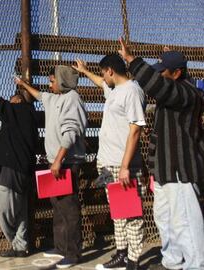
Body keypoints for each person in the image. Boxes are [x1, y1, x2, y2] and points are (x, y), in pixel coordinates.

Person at [118, 38, 204, 270]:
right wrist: (153, 171)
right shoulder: (168, 102)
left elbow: (157, 85)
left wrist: (132, 60)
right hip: (165, 172)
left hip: (182, 171)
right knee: (165, 220)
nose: (160, 75)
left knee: (185, 223)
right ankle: (172, 262)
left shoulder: (188, 94)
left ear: (176, 73)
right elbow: (157, 138)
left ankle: (196, 265)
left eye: (163, 71)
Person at [73, 54, 146, 270]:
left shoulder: (132, 90)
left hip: (122, 165)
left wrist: (125, 166)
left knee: (132, 214)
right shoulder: (114, 90)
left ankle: (133, 260)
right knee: (118, 212)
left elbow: (136, 128)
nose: (103, 78)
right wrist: (85, 72)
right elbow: (100, 82)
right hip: (108, 164)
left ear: (111, 71)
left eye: (104, 73)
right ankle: (121, 255)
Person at [15, 65, 87, 268]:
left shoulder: (71, 98)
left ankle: (73, 253)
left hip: (66, 163)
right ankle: (61, 247)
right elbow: (40, 95)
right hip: (56, 162)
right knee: (58, 207)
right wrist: (23, 85)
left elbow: (71, 132)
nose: (49, 84)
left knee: (69, 208)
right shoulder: (54, 98)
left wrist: (58, 161)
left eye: (52, 80)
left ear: (62, 81)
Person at [0, 76, 38, 258]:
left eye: (13, 98)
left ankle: (16, 244)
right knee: (21, 210)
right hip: (25, 168)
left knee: (2, 207)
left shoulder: (15, 110)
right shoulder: (30, 115)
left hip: (11, 167)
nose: (11, 99)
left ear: (18, 101)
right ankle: (21, 246)